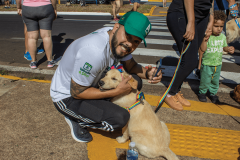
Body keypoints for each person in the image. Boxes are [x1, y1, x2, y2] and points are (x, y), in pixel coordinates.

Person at [50, 11, 162, 143]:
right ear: (116, 27)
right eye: (128, 35)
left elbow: (131, 67)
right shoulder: (94, 51)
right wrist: (117, 91)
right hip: (68, 97)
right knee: (120, 119)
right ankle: (77, 119)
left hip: (89, 85)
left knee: (135, 81)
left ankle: (100, 108)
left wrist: (148, 73)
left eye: (136, 41)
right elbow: (77, 92)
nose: (130, 44)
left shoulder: (116, 40)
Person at [165, 0, 215, 111]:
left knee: (188, 57)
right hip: (182, 13)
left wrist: (211, 21)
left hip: (202, 17)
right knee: (190, 61)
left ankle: (176, 91)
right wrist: (191, 23)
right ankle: (170, 94)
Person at [198, 10, 235, 103]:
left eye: (221, 26)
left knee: (215, 81)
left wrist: (229, 49)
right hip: (207, 63)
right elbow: (202, 49)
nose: (219, 29)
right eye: (216, 26)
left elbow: (224, 47)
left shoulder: (222, 36)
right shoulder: (207, 36)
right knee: (205, 80)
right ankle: (202, 93)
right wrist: (204, 40)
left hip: (217, 64)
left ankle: (213, 93)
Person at [16, 0, 57, 69]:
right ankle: (50, 61)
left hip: (28, 8)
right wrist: (54, 8)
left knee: (31, 37)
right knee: (46, 36)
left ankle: (33, 62)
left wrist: (18, 7)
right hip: (45, 7)